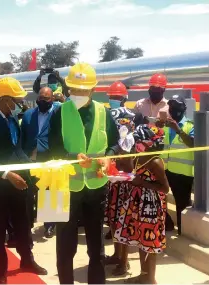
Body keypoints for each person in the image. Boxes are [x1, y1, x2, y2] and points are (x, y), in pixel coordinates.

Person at [49, 62, 119, 284]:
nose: (78, 94)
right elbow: (50, 149)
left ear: (93, 90)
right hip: (65, 186)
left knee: (96, 246)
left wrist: (109, 156)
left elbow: (115, 143)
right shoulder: (59, 113)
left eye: (83, 90)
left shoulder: (103, 112)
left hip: (96, 187)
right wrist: (71, 158)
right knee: (65, 245)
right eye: (74, 90)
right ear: (68, 89)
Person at [0, 77, 47, 284]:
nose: (18, 105)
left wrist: (32, 167)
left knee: (23, 225)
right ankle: (1, 270)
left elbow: (17, 150)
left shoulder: (12, 119)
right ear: (5, 99)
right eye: (15, 100)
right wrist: (7, 174)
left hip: (19, 184)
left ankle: (27, 259)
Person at [114, 124, 169, 284]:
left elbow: (165, 188)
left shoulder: (155, 161)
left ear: (151, 143)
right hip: (137, 202)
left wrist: (141, 183)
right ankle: (143, 274)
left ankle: (150, 279)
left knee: (149, 243)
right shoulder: (138, 157)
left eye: (140, 142)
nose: (137, 144)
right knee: (140, 240)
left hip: (150, 206)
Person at [133, 73, 174, 231]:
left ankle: (163, 221)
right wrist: (140, 122)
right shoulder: (139, 104)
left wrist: (165, 123)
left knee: (159, 187)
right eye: (152, 88)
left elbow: (174, 126)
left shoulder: (168, 106)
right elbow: (132, 122)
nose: (154, 91)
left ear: (163, 89)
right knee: (140, 186)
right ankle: (138, 219)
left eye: (157, 88)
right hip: (141, 152)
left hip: (159, 152)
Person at [104, 107, 137, 276]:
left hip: (125, 188)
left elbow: (129, 167)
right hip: (115, 186)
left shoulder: (129, 140)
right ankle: (117, 255)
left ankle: (124, 262)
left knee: (122, 225)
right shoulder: (118, 140)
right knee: (113, 223)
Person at [21, 86, 56, 238]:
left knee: (49, 193)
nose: (42, 101)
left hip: (49, 160)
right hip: (30, 160)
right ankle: (27, 224)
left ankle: (49, 226)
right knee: (28, 195)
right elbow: (23, 138)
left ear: (52, 99)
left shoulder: (58, 114)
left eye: (46, 98)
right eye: (40, 98)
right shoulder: (28, 114)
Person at [163, 95, 194, 235]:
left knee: (182, 204)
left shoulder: (190, 126)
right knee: (159, 199)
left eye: (176, 107)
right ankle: (167, 224)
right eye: (171, 106)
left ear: (183, 109)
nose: (173, 109)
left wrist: (178, 130)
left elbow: (193, 143)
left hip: (183, 173)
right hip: (166, 170)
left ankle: (183, 230)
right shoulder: (166, 125)